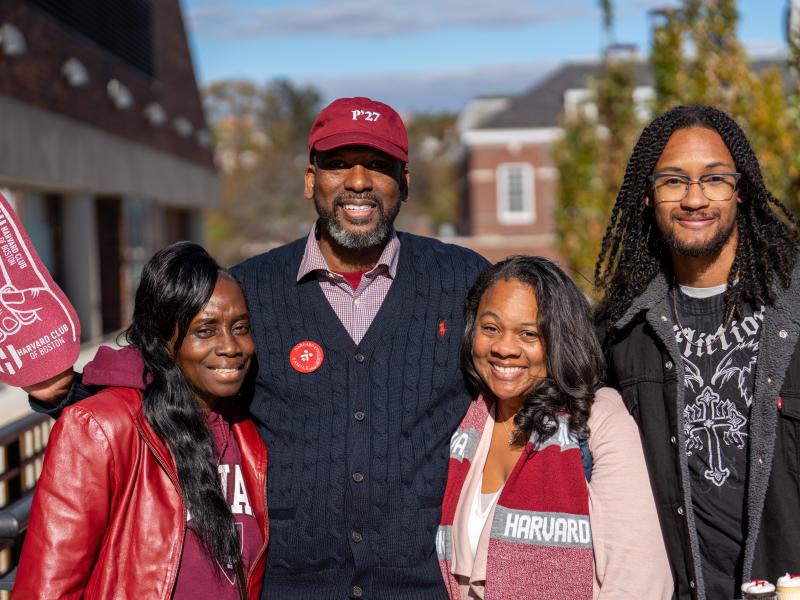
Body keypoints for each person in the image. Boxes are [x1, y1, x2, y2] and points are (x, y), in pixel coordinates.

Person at [27, 97, 489, 599]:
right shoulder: (249, 289)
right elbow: (160, 377)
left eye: (379, 166)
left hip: (427, 585)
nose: (359, 182)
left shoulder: (463, 280)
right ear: (311, 179)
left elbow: (524, 379)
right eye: (338, 165)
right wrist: (65, 395)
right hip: (289, 587)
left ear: (405, 181)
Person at [594, 105, 800, 599]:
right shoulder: (620, 333)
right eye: (673, 181)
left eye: (713, 179)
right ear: (647, 195)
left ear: (741, 189)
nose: (694, 199)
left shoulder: (794, 309)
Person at [14, 242, 268, 599]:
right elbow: (47, 588)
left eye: (240, 327)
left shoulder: (246, 431)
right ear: (164, 340)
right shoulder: (97, 427)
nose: (232, 346)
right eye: (206, 330)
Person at [437, 255, 672, 600]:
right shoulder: (464, 424)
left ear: (559, 338)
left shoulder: (598, 419)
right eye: (491, 328)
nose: (504, 348)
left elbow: (639, 581)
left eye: (528, 334)